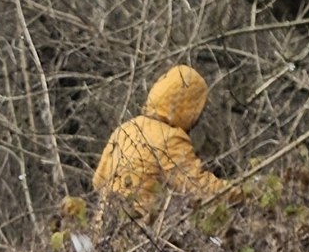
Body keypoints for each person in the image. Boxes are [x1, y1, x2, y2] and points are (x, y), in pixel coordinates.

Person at [91, 64, 227, 208]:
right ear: (188, 107)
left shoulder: (125, 129)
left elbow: (98, 181)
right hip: (139, 227)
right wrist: (238, 190)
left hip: (106, 225)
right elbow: (197, 186)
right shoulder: (169, 138)